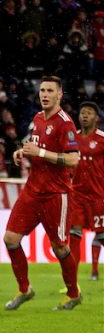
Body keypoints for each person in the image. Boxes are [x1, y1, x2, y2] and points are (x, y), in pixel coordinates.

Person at [3, 76, 82, 311]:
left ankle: (73, 293)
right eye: (42, 90)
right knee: (10, 239)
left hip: (55, 194)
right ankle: (25, 289)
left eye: (50, 91)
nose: (45, 94)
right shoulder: (37, 119)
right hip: (32, 191)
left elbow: (73, 159)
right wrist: (22, 152)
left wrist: (41, 153)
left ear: (60, 94)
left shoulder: (65, 123)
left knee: (59, 248)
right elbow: (35, 147)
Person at [68, 101, 104, 282]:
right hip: (77, 195)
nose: (84, 115)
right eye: (82, 112)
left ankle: (95, 270)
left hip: (99, 196)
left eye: (89, 113)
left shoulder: (102, 138)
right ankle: (72, 281)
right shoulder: (72, 138)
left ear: (96, 118)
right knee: (74, 233)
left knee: (102, 235)